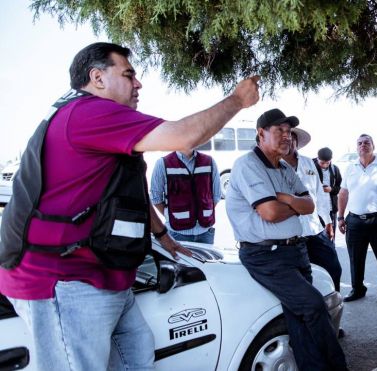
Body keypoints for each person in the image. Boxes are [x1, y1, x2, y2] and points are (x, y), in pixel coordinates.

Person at [0, 42, 258, 370]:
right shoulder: (89, 112)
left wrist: (164, 238)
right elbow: (184, 136)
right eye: (128, 74)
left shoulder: (91, 120)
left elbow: (129, 194)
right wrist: (237, 100)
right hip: (63, 279)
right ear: (97, 78)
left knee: (137, 356)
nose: (138, 84)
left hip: (106, 275)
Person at [225, 108, 347, 371]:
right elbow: (269, 212)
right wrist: (291, 204)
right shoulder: (247, 165)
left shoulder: (283, 168)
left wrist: (286, 199)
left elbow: (310, 204)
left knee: (299, 319)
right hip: (266, 255)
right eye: (279, 130)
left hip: (295, 250)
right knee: (314, 306)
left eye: (288, 131)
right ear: (261, 134)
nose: (286, 136)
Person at [337, 134, 377, 305]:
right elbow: (343, 193)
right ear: (356, 147)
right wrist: (341, 217)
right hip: (355, 221)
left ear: (373, 146)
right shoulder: (350, 168)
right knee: (355, 258)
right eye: (360, 143)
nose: (363, 145)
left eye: (367, 143)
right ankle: (357, 289)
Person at [282, 127, 342, 292]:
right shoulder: (273, 164)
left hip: (315, 229)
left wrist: (328, 222)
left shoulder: (308, 162)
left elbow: (320, 196)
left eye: (292, 137)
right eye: (285, 137)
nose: (289, 140)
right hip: (290, 235)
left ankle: (332, 305)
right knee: (301, 278)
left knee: (333, 269)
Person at [150, 149, 221, 244]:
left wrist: (200, 213)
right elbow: (156, 198)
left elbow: (216, 195)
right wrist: (171, 216)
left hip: (205, 232)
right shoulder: (163, 163)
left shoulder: (209, 161)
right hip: (177, 234)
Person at [313, 147, 342, 236]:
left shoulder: (335, 169)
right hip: (315, 209)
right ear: (317, 158)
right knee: (316, 237)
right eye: (322, 163)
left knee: (330, 236)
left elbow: (340, 187)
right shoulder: (309, 166)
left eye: (327, 163)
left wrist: (331, 189)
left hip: (331, 209)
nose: (325, 165)